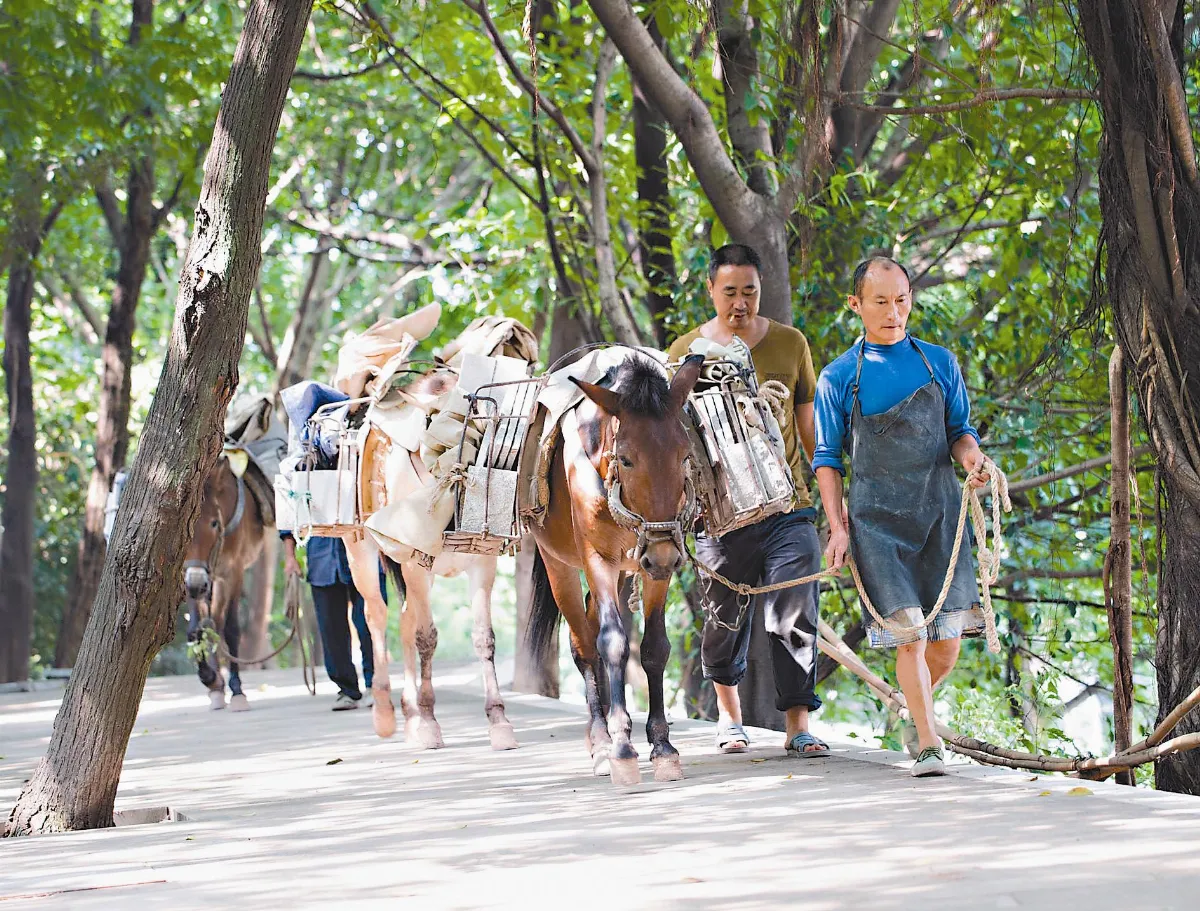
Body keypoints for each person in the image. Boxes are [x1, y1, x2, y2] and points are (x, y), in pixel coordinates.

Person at [813, 255, 991, 777]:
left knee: (947, 645)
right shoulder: (839, 377)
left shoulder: (939, 362)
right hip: (876, 525)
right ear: (856, 305)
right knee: (909, 633)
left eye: (902, 299)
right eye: (881, 302)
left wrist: (974, 461)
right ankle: (931, 745)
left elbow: (960, 431)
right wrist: (839, 529)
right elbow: (828, 461)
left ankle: (915, 715)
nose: (894, 312)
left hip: (938, 514)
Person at [667, 243, 828, 758]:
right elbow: (670, 439)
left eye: (750, 292)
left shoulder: (789, 343)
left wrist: (832, 504)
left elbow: (809, 429)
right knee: (721, 619)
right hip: (718, 514)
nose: (741, 303)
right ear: (710, 290)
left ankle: (798, 726)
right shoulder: (683, 352)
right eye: (730, 292)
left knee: (794, 610)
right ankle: (729, 718)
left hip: (789, 506)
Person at [281, 532, 384, 711]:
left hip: (367, 556)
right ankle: (346, 690)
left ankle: (374, 685)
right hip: (322, 560)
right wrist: (290, 557)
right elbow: (289, 513)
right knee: (331, 629)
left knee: (370, 624)